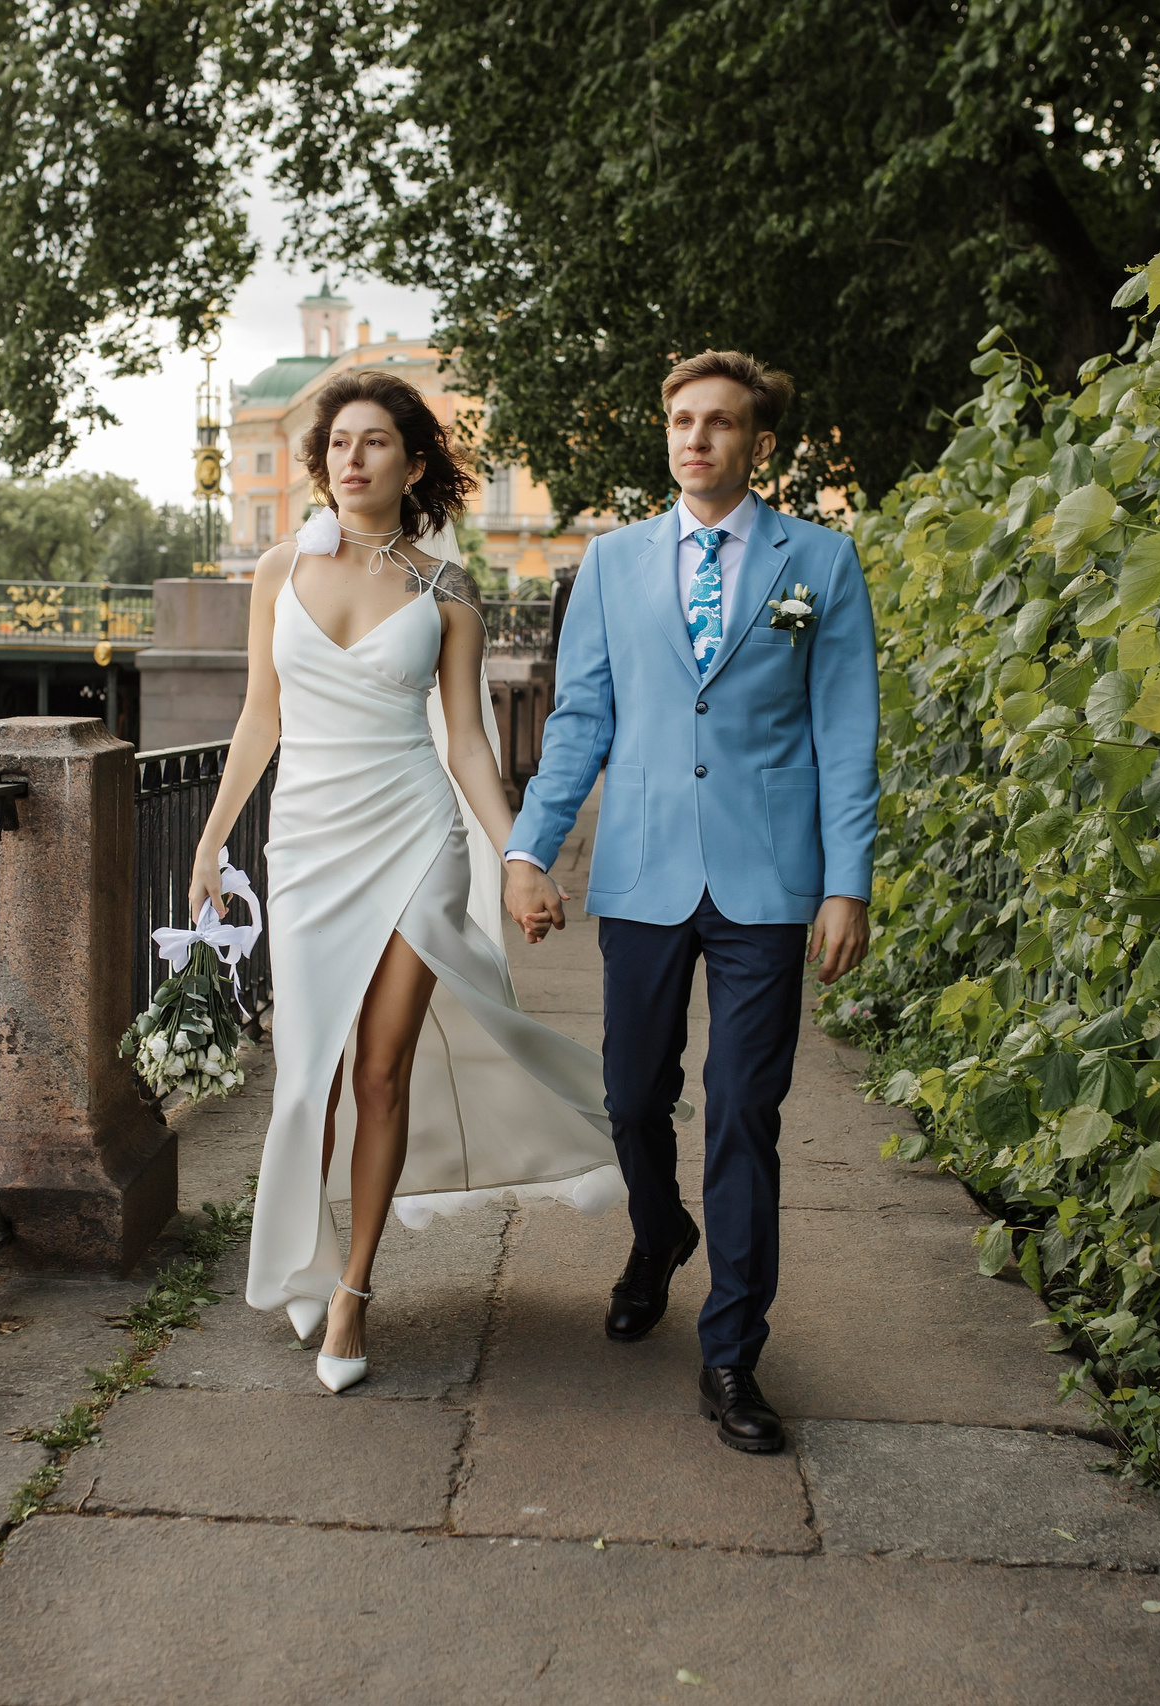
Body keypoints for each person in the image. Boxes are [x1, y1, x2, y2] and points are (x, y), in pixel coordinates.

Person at [187, 369, 621, 1395]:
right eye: (338, 442)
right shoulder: (278, 566)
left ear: (412, 462)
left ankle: (352, 1288)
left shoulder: (445, 591)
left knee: (378, 1069)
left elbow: (469, 745)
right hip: (304, 847)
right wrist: (209, 841)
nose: (351, 456)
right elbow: (261, 717)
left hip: (415, 834)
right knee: (308, 1077)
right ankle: (303, 1250)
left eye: (374, 441)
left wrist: (519, 858)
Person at [502, 350, 880, 1454]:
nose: (696, 438)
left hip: (769, 877)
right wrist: (532, 848)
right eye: (680, 419)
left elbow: (844, 729)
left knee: (741, 1112)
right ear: (663, 432)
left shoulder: (820, 562)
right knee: (629, 1096)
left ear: (756, 441)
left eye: (719, 422)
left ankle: (730, 1351)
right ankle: (658, 1230)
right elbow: (580, 718)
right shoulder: (612, 563)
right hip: (645, 868)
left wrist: (844, 881)